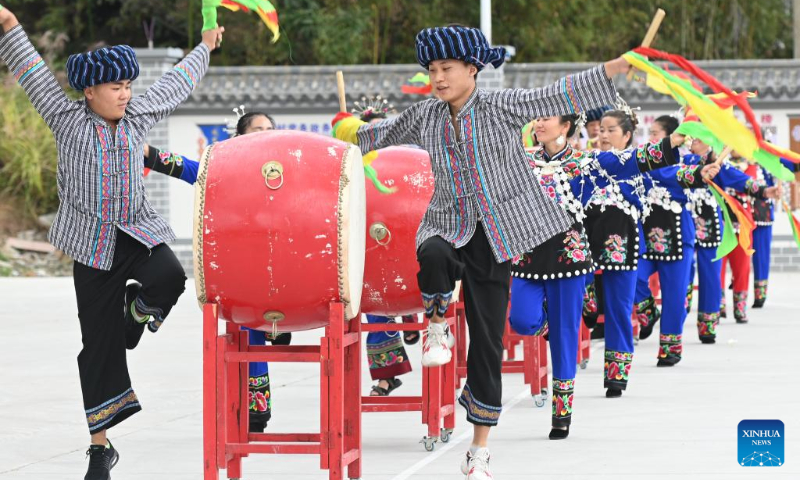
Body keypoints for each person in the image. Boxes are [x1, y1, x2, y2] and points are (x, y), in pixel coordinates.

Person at [331, 23, 632, 479]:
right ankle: (436, 327)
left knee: (488, 341)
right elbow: (379, 135)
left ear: (472, 68)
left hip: (496, 234)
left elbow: (557, 94)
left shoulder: (501, 106)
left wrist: (615, 67)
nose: (438, 78)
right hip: (447, 222)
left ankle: (479, 448)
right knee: (432, 255)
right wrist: (348, 129)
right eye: (432, 70)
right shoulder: (425, 114)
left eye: (446, 68)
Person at [0, 5, 223, 479]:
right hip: (91, 247)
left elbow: (177, 81)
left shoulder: (138, 115)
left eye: (127, 85)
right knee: (98, 347)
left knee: (170, 276)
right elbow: (31, 71)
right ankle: (100, 448)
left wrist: (205, 46)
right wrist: (9, 24)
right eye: (116, 87)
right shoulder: (66, 118)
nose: (125, 94)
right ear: (90, 91)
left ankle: (136, 315)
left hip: (136, 231)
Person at [509, 113, 689, 438]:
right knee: (521, 319)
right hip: (528, 255)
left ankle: (561, 414)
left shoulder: (587, 162)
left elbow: (631, 160)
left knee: (566, 337)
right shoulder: (522, 161)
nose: (539, 124)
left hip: (570, 256)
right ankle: (548, 326)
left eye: (547, 118)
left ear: (565, 126)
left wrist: (669, 144)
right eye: (537, 118)